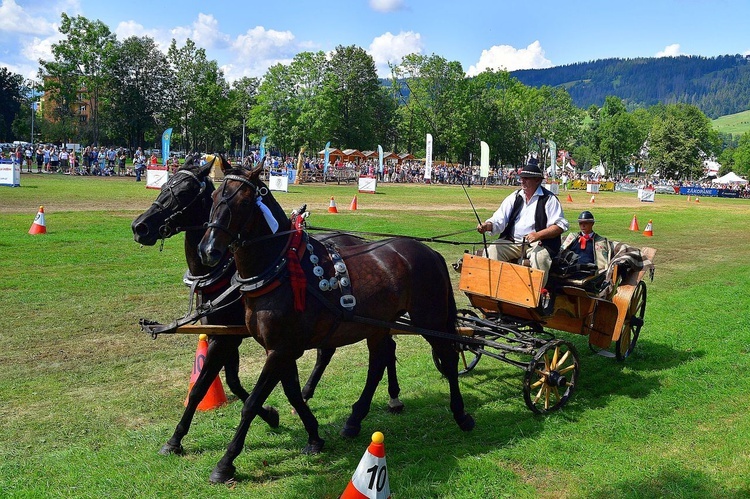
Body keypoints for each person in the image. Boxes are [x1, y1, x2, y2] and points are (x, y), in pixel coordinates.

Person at [476, 162, 568, 287]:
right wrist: (487, 225)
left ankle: (535, 295)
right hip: (513, 242)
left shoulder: (549, 199)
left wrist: (538, 235)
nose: (522, 181)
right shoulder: (515, 196)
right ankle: (496, 288)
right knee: (493, 250)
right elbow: (499, 218)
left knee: (540, 258)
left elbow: (559, 226)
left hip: (538, 244)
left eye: (526, 179)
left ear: (537, 180)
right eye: (521, 178)